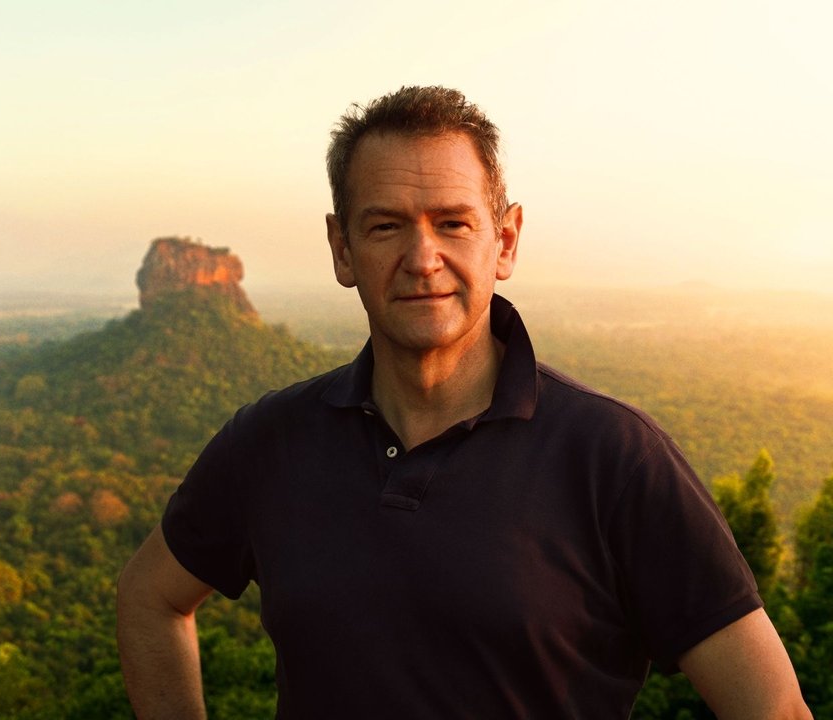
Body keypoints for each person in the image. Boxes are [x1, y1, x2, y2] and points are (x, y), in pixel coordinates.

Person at [115, 85, 810, 718]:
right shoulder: (270, 442)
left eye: (453, 223)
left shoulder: (611, 455)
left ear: (503, 240)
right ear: (342, 249)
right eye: (385, 226)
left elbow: (772, 707)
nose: (423, 257)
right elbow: (149, 598)